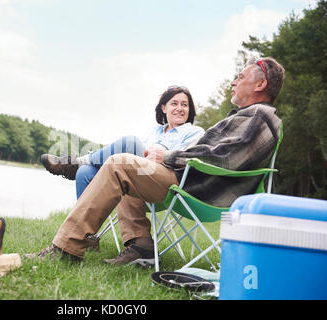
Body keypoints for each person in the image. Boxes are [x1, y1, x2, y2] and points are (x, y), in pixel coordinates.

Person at [25, 57, 285, 267]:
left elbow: (225, 157)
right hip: (191, 179)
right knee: (127, 167)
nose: (233, 82)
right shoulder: (249, 116)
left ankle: (66, 247)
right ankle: (140, 245)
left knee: (119, 163)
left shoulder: (261, 117)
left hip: (198, 187)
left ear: (260, 85)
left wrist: (168, 157)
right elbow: (219, 152)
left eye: (240, 77)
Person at [40, 86, 205, 199]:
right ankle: (84, 236)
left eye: (185, 105)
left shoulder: (195, 132)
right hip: (138, 171)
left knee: (131, 142)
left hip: (165, 177)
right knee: (85, 172)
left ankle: (77, 162)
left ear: (189, 109)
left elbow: (186, 158)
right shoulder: (154, 131)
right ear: (163, 108)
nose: (180, 108)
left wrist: (161, 153)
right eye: (174, 103)